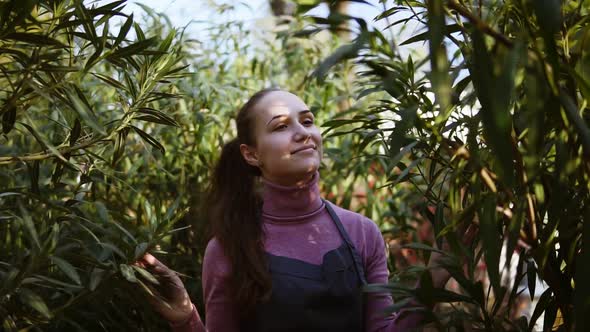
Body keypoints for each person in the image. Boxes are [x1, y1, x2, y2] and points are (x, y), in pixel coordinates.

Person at [136, 88, 460, 331]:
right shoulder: (227, 249)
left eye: (307, 121)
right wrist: (185, 318)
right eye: (280, 126)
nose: (303, 132)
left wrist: (433, 280)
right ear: (251, 155)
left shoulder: (362, 233)